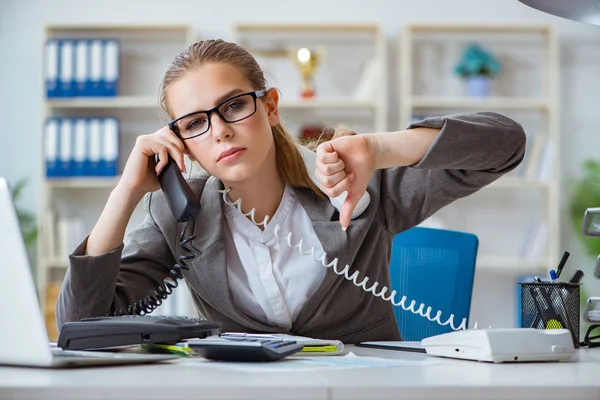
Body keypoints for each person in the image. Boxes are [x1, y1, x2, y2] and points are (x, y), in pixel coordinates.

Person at [56, 39, 526, 343]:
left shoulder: (351, 178)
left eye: (234, 106)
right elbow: (80, 325)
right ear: (180, 142)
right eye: (195, 123)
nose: (219, 131)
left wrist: (382, 148)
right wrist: (127, 192)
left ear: (271, 106)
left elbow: (506, 145)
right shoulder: (178, 215)